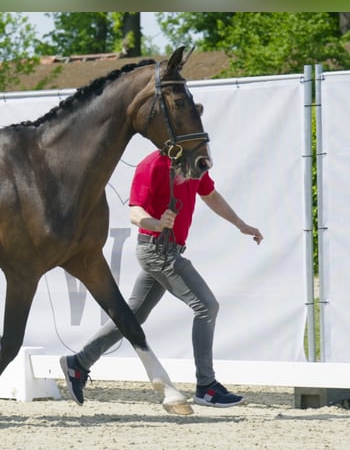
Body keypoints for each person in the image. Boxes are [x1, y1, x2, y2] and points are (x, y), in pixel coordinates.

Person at [60, 149, 263, 408]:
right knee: (206, 306)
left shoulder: (194, 161)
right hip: (157, 249)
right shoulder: (152, 165)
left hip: (169, 249)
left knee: (132, 316)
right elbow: (134, 211)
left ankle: (78, 363)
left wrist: (240, 224)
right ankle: (206, 387)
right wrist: (155, 223)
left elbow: (209, 194)